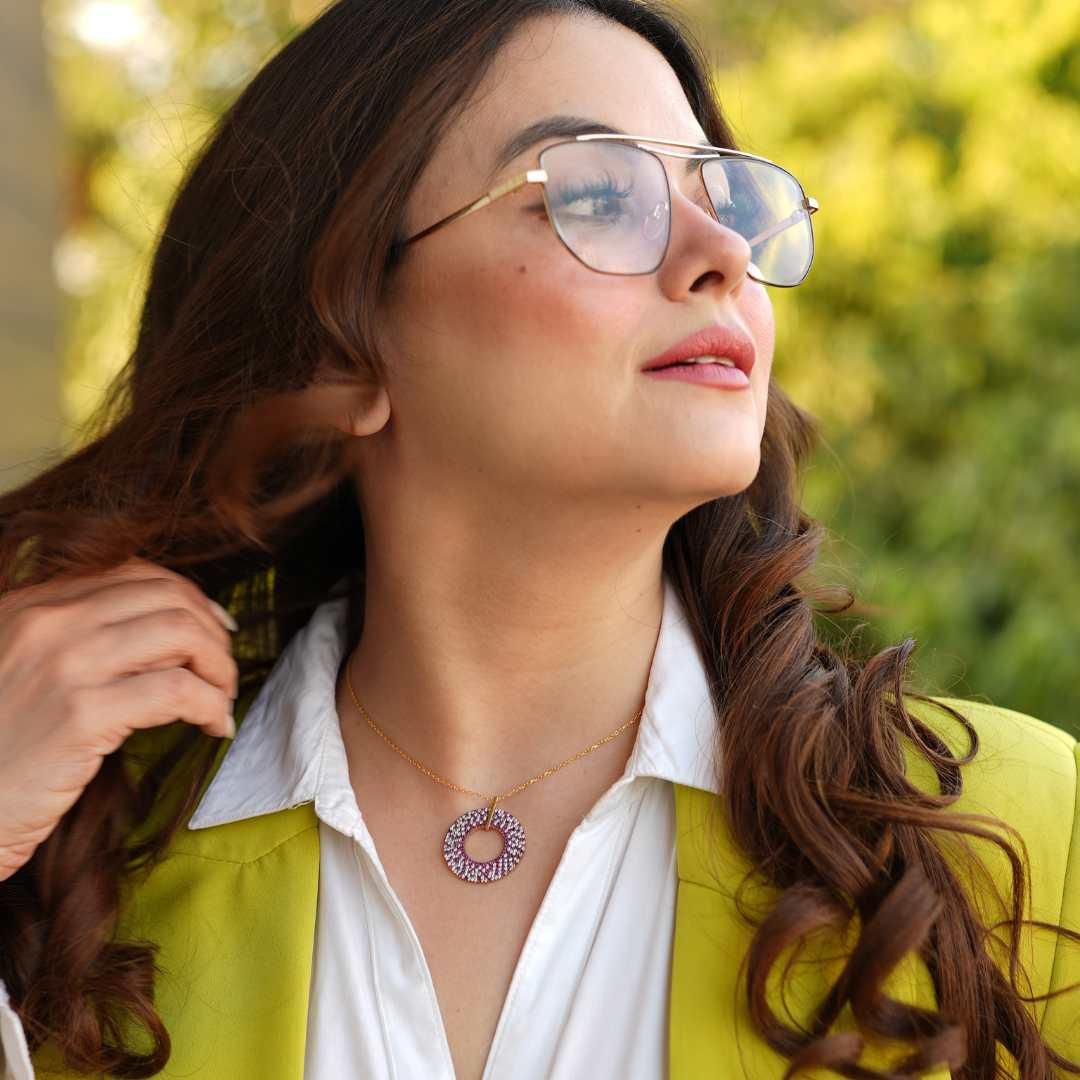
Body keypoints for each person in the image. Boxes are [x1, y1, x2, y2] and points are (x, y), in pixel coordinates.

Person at [0, 1, 1078, 1077]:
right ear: (343, 347)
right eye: (604, 195)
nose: (720, 257)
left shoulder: (1017, 838)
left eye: (725, 199)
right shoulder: (70, 852)